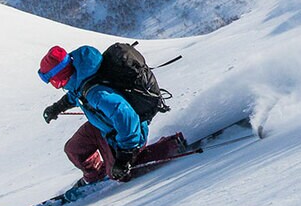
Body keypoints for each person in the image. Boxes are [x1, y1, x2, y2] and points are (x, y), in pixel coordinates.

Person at [38, 44, 189, 183]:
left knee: (122, 173)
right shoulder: (80, 75)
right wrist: (57, 107)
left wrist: (125, 155)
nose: (55, 85)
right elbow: (76, 94)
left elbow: (126, 117)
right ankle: (96, 176)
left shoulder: (96, 94)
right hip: (104, 126)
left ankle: (172, 145)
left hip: (127, 132)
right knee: (74, 149)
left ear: (59, 78)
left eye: (53, 82)